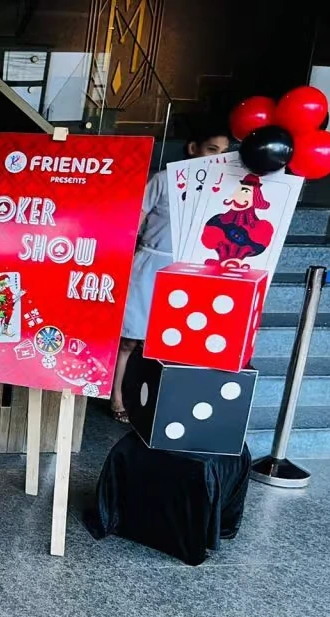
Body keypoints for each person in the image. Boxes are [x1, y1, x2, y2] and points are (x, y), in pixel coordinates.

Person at [110, 122, 231, 422]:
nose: (217, 158)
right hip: (150, 264)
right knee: (129, 339)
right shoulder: (164, 180)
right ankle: (117, 397)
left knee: (172, 341)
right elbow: (136, 217)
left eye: (224, 153)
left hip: (189, 269)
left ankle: (162, 404)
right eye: (211, 150)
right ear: (193, 148)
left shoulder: (222, 188)